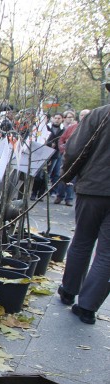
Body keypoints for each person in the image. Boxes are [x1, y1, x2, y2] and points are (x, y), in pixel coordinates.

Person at [57, 88, 110, 325]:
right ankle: (87, 307)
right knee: (107, 253)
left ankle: (69, 290)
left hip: (93, 188)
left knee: (82, 240)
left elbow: (75, 148)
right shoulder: (100, 115)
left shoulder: (100, 115)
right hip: (94, 187)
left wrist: (67, 175)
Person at [55, 110, 78, 205]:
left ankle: (69, 198)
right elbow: (61, 139)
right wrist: (62, 149)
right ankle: (59, 196)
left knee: (72, 177)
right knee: (62, 174)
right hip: (66, 154)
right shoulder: (71, 128)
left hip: (77, 155)